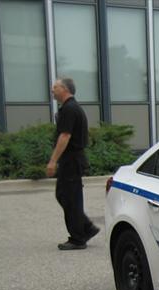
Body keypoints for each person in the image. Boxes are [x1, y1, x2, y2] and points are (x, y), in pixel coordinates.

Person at [47, 77, 99, 250]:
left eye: (55, 87)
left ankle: (78, 238)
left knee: (70, 198)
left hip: (71, 159)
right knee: (65, 196)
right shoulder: (70, 107)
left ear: (65, 89)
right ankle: (86, 228)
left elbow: (65, 135)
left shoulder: (69, 109)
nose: (52, 90)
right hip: (72, 159)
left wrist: (53, 161)